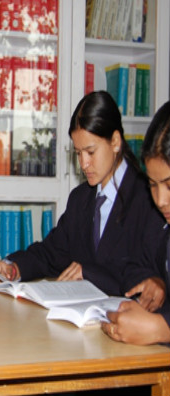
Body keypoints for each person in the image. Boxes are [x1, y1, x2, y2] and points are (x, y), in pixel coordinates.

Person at [0, 91, 165, 302]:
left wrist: (89, 273)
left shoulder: (151, 198)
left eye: (90, 152)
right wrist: (15, 267)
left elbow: (149, 275)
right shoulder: (80, 199)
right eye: (78, 153)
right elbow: (52, 253)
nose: (83, 163)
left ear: (115, 141)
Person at [102, 101, 170, 346]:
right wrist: (155, 281)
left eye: (169, 185)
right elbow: (134, 265)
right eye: (153, 185)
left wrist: (162, 329)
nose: (161, 200)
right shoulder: (158, 221)